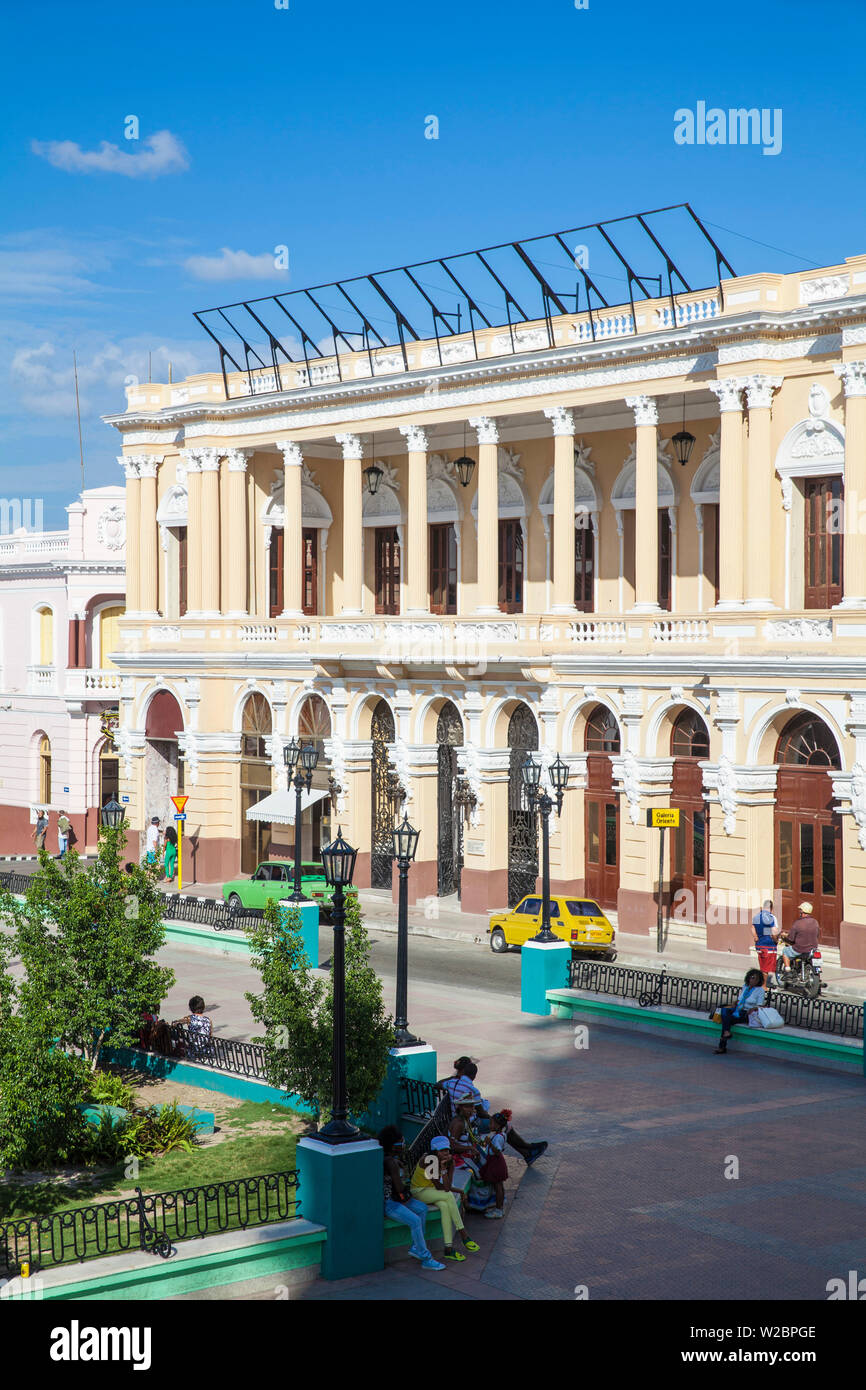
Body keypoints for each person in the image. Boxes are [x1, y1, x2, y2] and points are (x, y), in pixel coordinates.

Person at [441, 1057, 547, 1166]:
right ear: (474, 1076)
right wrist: (494, 1120)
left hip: (461, 1118)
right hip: (471, 1124)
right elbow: (481, 1113)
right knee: (504, 1126)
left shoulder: (451, 1083)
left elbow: (438, 1084)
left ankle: (528, 1153)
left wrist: (453, 1078)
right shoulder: (473, 1090)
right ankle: (528, 1147)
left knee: (502, 1125)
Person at [378, 1126, 445, 1270]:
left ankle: (416, 1247)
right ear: (393, 1146)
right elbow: (400, 1189)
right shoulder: (390, 1162)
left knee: (422, 1208)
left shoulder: (389, 1159)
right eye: (401, 1143)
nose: (403, 1146)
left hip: (396, 1200)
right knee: (414, 1221)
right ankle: (426, 1258)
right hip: (389, 1204)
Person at [410, 1135, 480, 1263]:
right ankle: (463, 1234)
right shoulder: (429, 1160)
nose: (445, 1152)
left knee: (444, 1205)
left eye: (447, 1150)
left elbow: (447, 1185)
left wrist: (450, 1166)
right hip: (419, 1191)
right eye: (442, 1150)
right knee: (448, 1196)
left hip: (431, 1190)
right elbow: (443, 1188)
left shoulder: (446, 1161)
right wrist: (443, 1169)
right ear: (435, 1151)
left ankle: (448, 1249)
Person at [715, 969, 766, 1054]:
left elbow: (760, 1006)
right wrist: (735, 1002)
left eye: (756, 979)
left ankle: (722, 1046)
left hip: (747, 1013)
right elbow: (740, 999)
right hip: (738, 1009)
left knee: (727, 1021)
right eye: (752, 978)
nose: (753, 980)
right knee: (724, 1011)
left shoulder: (760, 990)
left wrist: (753, 1009)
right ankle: (726, 1033)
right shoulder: (745, 986)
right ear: (748, 978)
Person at [480, 1111, 510, 1219]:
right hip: (496, 1162)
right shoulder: (500, 1135)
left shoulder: (497, 1137)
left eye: (491, 1123)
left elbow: (497, 1151)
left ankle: (498, 1209)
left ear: (497, 1125)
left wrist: (489, 1143)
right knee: (499, 1186)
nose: (489, 1125)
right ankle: (499, 1207)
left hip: (496, 1163)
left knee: (498, 1186)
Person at [777, 902, 820, 977]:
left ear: (802, 912)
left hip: (800, 949)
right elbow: (817, 934)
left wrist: (784, 936)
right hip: (813, 949)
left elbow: (791, 938)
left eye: (800, 911)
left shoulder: (798, 923)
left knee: (785, 951)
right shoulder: (815, 922)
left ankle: (787, 971)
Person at [751, 900, 780, 983]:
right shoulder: (771, 917)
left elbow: (753, 928)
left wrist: (756, 937)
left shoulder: (756, 916)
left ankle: (763, 984)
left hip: (759, 946)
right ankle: (765, 986)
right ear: (771, 908)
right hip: (769, 946)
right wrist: (776, 940)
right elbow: (774, 931)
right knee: (768, 969)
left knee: (763, 967)